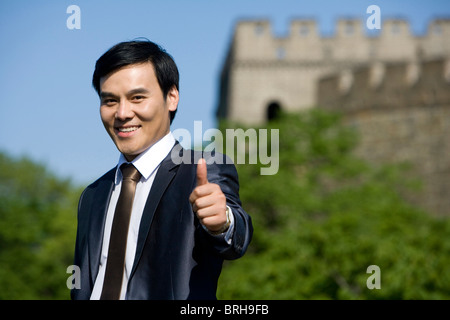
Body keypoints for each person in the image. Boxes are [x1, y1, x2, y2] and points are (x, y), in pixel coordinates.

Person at [71, 40, 253, 300]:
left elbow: (237, 237)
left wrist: (222, 221)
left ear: (172, 97)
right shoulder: (92, 195)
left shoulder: (201, 169)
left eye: (137, 98)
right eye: (110, 101)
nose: (122, 113)